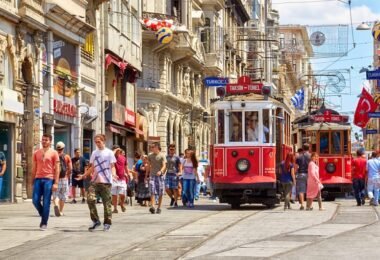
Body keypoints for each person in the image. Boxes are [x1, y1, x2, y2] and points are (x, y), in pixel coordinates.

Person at [77, 134, 117, 231]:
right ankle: (95, 221)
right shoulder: (94, 153)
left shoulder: (109, 153)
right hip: (95, 181)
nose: (97, 143)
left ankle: (107, 223)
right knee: (90, 199)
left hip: (106, 182)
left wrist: (114, 174)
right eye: (96, 142)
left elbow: (112, 166)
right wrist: (84, 175)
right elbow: (92, 167)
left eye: (99, 141)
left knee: (106, 203)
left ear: (103, 141)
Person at [32, 134, 60, 230]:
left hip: (49, 179)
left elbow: (57, 168)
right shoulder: (36, 153)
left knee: (46, 201)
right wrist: (32, 179)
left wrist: (56, 182)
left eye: (46, 140)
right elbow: (34, 167)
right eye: (43, 140)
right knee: (35, 200)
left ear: (50, 141)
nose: (44, 141)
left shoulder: (54, 153)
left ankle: (44, 222)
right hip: (38, 179)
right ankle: (43, 214)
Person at [53, 141, 72, 217]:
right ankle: (60, 211)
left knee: (55, 195)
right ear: (63, 148)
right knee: (63, 195)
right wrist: (67, 175)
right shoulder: (67, 156)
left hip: (55, 178)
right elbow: (70, 168)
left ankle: (56, 204)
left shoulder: (54, 156)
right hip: (64, 178)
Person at [147, 142, 166, 214]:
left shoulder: (162, 155)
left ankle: (159, 207)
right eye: (151, 147)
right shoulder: (150, 156)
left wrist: (161, 171)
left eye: (153, 147)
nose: (151, 148)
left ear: (157, 147)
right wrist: (147, 175)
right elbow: (148, 166)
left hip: (160, 176)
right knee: (152, 191)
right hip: (152, 175)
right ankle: (152, 206)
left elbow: (164, 165)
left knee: (160, 192)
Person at [295, 144, 311, 210]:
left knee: (301, 191)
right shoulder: (310, 156)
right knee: (309, 190)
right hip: (309, 174)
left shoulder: (299, 157)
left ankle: (302, 205)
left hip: (300, 174)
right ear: (309, 148)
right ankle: (309, 205)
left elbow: (296, 166)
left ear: (303, 148)